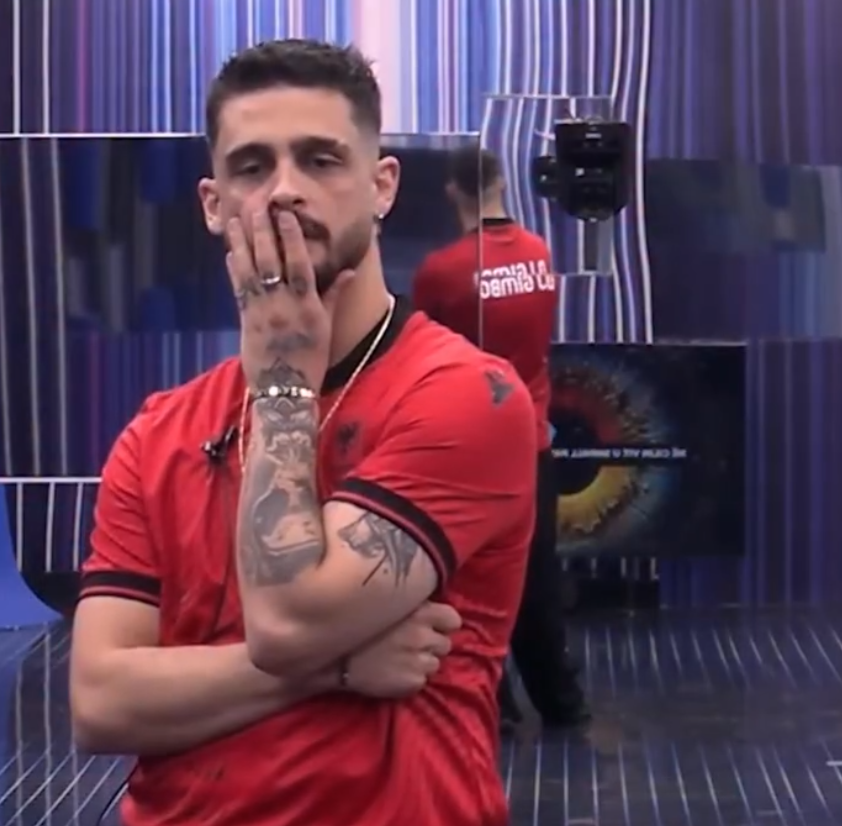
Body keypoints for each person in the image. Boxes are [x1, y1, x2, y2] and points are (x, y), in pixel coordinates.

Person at [69, 40, 538, 826]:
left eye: (321, 160)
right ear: (213, 203)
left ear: (381, 185)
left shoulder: (467, 396)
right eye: (252, 167)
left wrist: (284, 380)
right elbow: (100, 704)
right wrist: (337, 669)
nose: (285, 191)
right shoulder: (158, 432)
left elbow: (287, 624)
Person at [412, 147, 589, 729]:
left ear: (452, 191)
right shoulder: (540, 255)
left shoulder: (441, 272)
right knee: (537, 577)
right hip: (532, 443)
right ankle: (561, 704)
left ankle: (492, 706)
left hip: (467, 446)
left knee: (468, 581)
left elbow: (425, 355)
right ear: (501, 183)